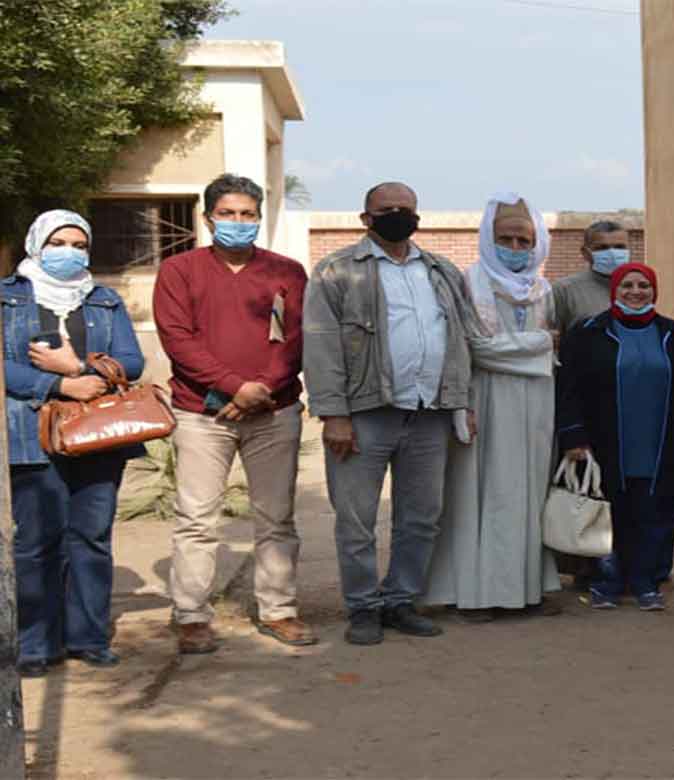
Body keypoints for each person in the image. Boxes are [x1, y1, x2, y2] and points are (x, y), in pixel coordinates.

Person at [304, 181, 481, 645]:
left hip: (429, 412)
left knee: (422, 516)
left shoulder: (440, 270)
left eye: (406, 208)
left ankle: (401, 600)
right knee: (356, 519)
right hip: (365, 414)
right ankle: (363, 607)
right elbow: (321, 346)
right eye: (386, 209)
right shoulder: (336, 271)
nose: (397, 214)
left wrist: (462, 401)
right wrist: (333, 414)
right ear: (366, 218)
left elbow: (462, 338)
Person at [154, 173, 314, 654]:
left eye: (248, 214)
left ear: (259, 219)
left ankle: (279, 609)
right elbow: (178, 339)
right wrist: (234, 388)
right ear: (207, 219)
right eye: (227, 214)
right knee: (197, 519)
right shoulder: (179, 271)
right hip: (202, 415)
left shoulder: (286, 272)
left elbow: (295, 338)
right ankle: (192, 616)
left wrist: (263, 388)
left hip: (273, 410)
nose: (238, 222)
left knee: (276, 518)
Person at [5, 210, 145, 677]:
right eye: (59, 243)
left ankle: (88, 637)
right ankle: (37, 644)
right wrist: (60, 386)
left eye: (79, 244)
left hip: (97, 436)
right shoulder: (7, 297)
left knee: (91, 537)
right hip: (31, 432)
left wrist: (77, 369)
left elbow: (132, 360)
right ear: (37, 244)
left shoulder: (104, 299)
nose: (70, 252)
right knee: (37, 542)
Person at [422, 192, 562, 620]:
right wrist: (541, 343)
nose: (516, 248)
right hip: (483, 398)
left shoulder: (544, 288)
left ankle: (526, 589)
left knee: (528, 492)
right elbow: (476, 348)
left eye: (524, 240)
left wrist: (525, 349)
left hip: (537, 404)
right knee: (476, 493)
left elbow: (512, 347)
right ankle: (476, 593)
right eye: (506, 238)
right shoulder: (468, 282)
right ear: (488, 237)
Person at [557, 262, 674, 609]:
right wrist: (573, 436)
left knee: (656, 512)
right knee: (610, 512)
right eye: (627, 285)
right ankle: (607, 582)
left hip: (660, 441)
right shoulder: (588, 333)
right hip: (605, 443)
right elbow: (570, 390)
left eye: (644, 286)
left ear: (654, 291)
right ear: (614, 291)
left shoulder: (673, 334)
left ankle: (647, 582)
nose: (636, 292)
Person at [550, 219, 631, 589]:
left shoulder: (635, 285)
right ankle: (585, 565)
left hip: (630, 405)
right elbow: (552, 344)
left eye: (619, 245)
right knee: (585, 487)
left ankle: (631, 564)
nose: (612, 253)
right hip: (583, 406)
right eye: (601, 247)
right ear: (585, 253)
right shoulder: (565, 291)